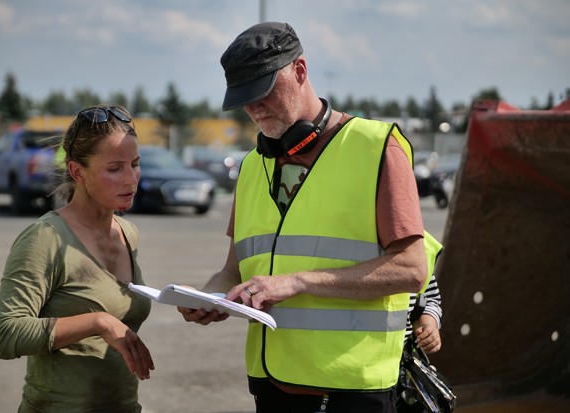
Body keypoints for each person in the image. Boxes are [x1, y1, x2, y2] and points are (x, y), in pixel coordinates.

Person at [178, 22, 431, 413]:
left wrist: (297, 282)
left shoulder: (376, 147)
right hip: (273, 388)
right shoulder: (252, 167)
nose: (254, 108)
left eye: (263, 92)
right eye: (244, 99)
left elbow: (412, 269)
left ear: (299, 71)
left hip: (351, 391)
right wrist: (213, 297)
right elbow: (234, 270)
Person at [0, 104, 155, 412]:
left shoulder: (127, 232)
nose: (131, 178)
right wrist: (97, 322)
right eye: (114, 168)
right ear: (77, 171)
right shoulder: (45, 237)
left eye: (135, 164)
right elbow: (5, 334)